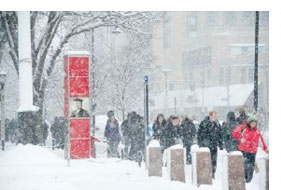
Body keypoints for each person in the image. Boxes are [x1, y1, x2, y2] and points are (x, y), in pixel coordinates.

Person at [232, 117, 269, 183]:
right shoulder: (243, 128)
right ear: (249, 123)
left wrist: (265, 148)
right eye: (252, 123)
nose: (253, 124)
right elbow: (234, 133)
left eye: (254, 123)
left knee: (251, 167)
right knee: (246, 166)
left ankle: (248, 181)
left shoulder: (257, 131)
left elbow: (261, 141)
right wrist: (240, 138)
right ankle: (244, 180)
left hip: (253, 152)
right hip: (244, 151)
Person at [197, 111, 223, 179]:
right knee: (206, 160)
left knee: (214, 160)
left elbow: (220, 134)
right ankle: (205, 174)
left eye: (216, 116)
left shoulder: (217, 123)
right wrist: (200, 144)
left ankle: (212, 174)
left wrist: (220, 144)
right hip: (205, 145)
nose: (215, 117)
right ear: (210, 116)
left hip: (214, 145)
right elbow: (199, 134)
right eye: (213, 116)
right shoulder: (204, 123)